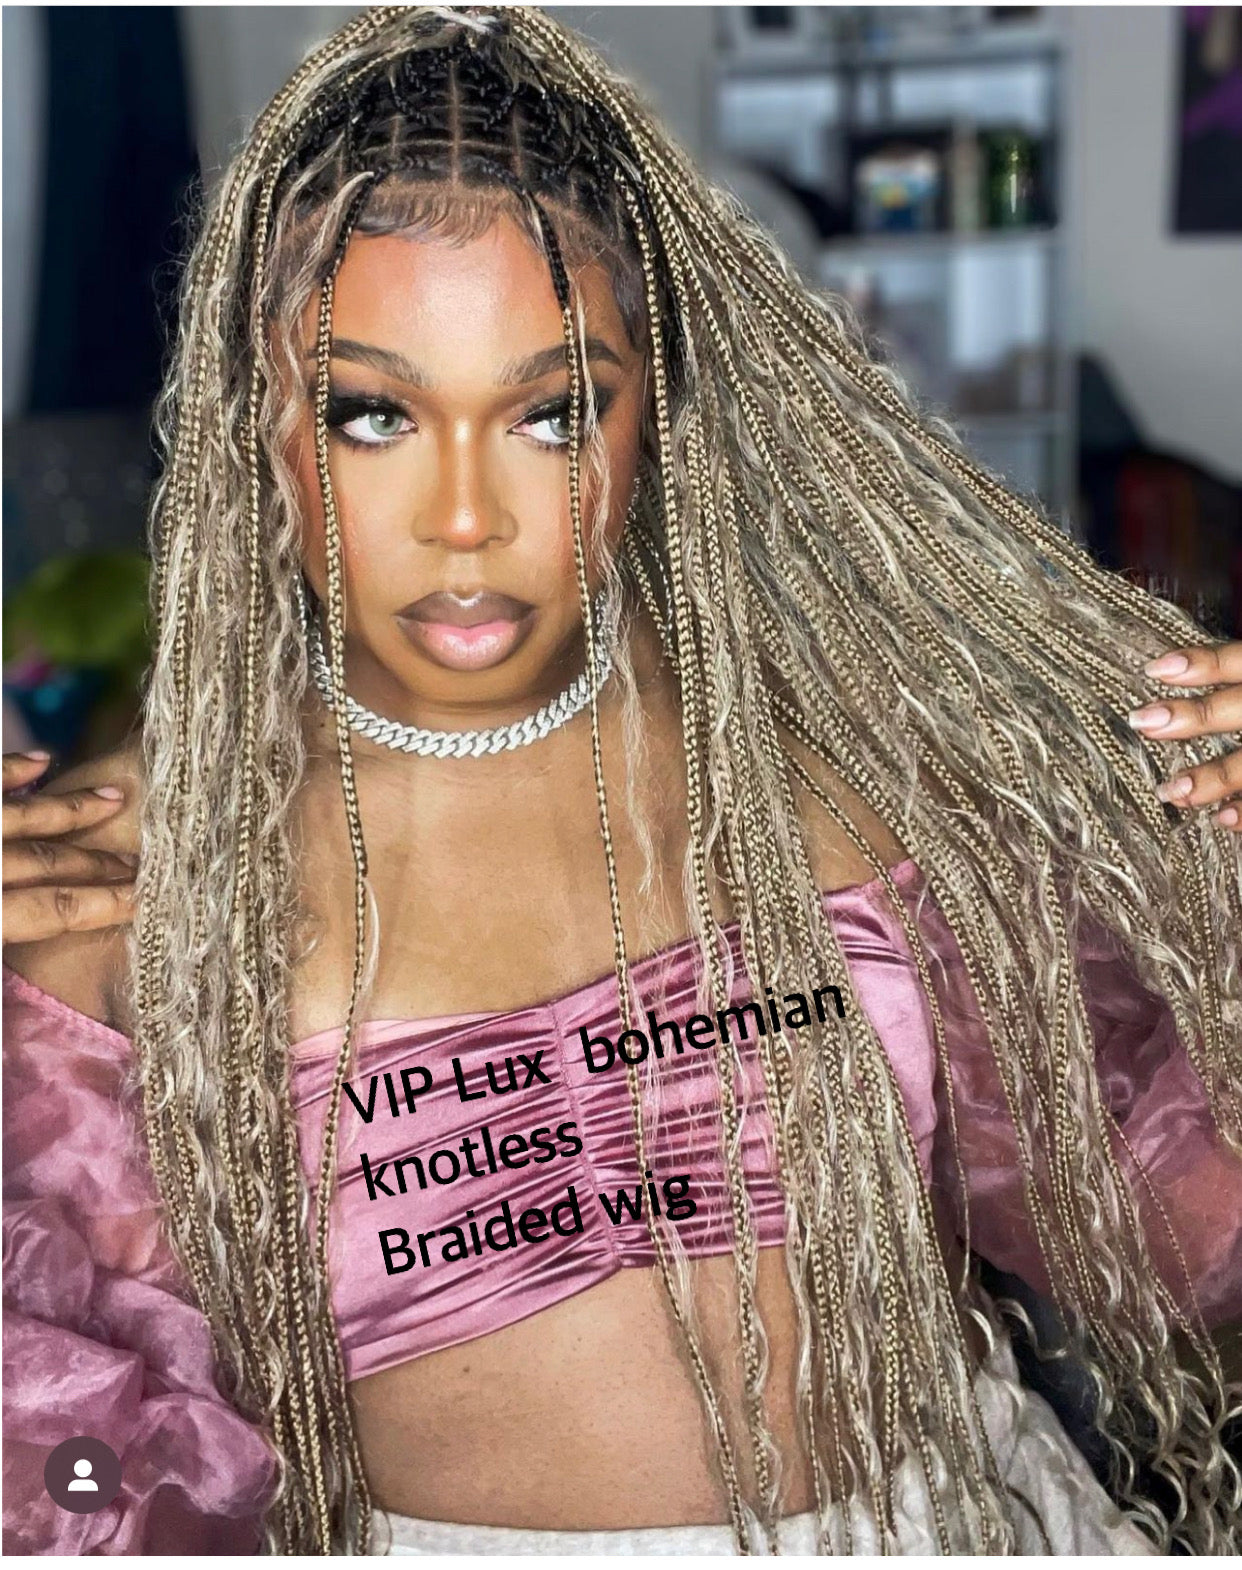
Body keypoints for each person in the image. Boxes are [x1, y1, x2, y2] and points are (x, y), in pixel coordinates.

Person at [3, 6, 1241, 1557]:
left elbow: (1177, 1234)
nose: (466, 515)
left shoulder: (849, 778)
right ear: (254, 420)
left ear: (656, 414)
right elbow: (83, 1486)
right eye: (372, 413)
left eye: (552, 411)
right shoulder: (115, 885)